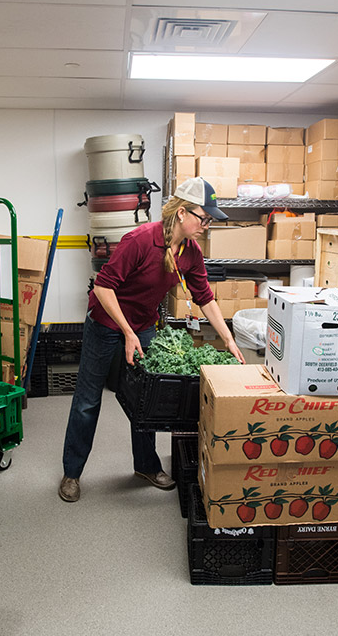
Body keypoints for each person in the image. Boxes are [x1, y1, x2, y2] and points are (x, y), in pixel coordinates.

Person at [59, 177, 246, 502]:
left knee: (146, 398)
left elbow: (204, 296)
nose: (207, 225)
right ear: (182, 213)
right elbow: (103, 288)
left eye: (210, 219)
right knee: (88, 400)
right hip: (105, 323)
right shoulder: (140, 240)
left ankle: (145, 465)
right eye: (204, 218)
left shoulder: (190, 251)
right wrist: (127, 332)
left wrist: (228, 338)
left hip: (144, 325)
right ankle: (72, 473)